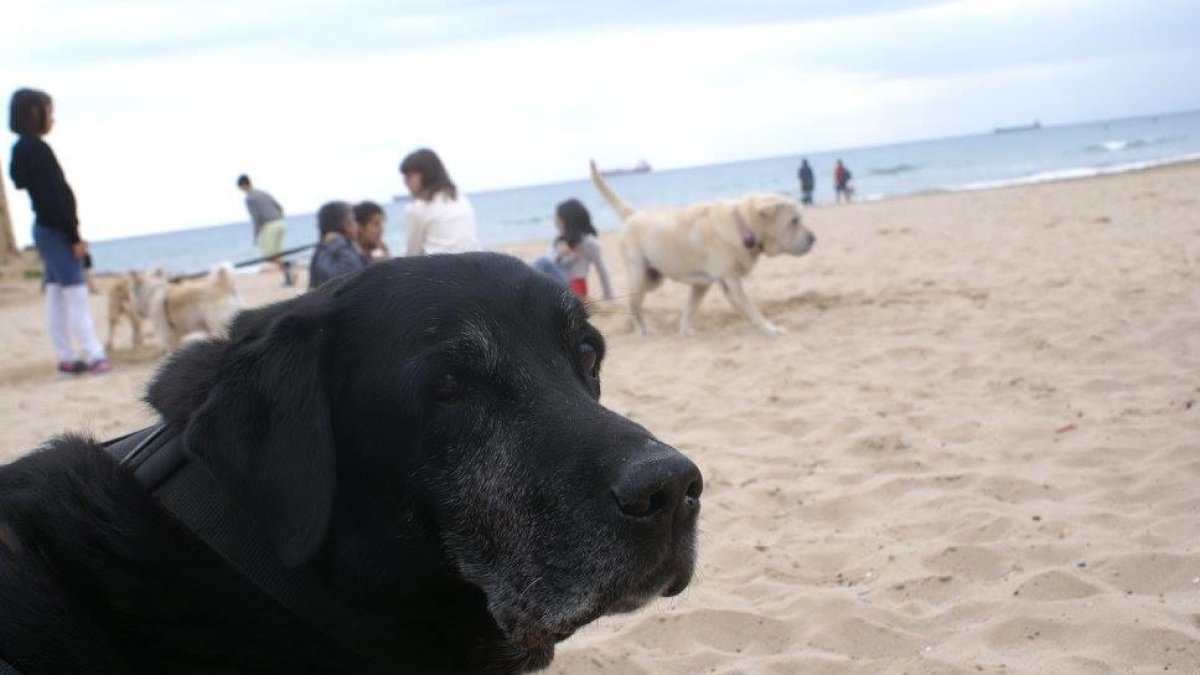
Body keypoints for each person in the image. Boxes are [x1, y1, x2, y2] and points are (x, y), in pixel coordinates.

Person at [8, 88, 111, 375]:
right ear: (34, 114)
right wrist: (74, 235)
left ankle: (66, 357)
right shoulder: (38, 150)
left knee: (55, 294)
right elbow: (55, 196)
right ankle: (94, 356)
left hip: (44, 228)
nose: (53, 118)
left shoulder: (20, 149)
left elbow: (21, 182)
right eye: (49, 112)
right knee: (76, 294)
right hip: (56, 230)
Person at [399, 148, 480, 255]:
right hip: (474, 263)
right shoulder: (458, 196)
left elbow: (412, 253)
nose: (405, 182)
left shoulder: (417, 208)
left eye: (409, 176)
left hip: (441, 267)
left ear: (427, 174)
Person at [530, 198, 614, 300]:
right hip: (556, 282)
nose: (555, 221)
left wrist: (609, 296)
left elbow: (602, 272)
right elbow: (552, 262)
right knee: (540, 265)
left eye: (558, 218)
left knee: (541, 261)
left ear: (569, 220)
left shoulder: (588, 242)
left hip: (574, 287)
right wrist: (559, 255)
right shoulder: (560, 238)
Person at [237, 174, 296, 286]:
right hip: (280, 223)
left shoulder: (249, 198)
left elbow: (256, 218)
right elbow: (279, 207)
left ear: (243, 185)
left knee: (269, 255)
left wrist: (256, 235)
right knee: (276, 254)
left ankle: (288, 265)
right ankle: (288, 277)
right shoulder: (263, 193)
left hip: (270, 225)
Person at [308, 201, 369, 290]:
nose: (357, 226)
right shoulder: (341, 249)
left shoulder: (321, 249)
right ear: (345, 225)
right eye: (353, 220)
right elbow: (356, 277)